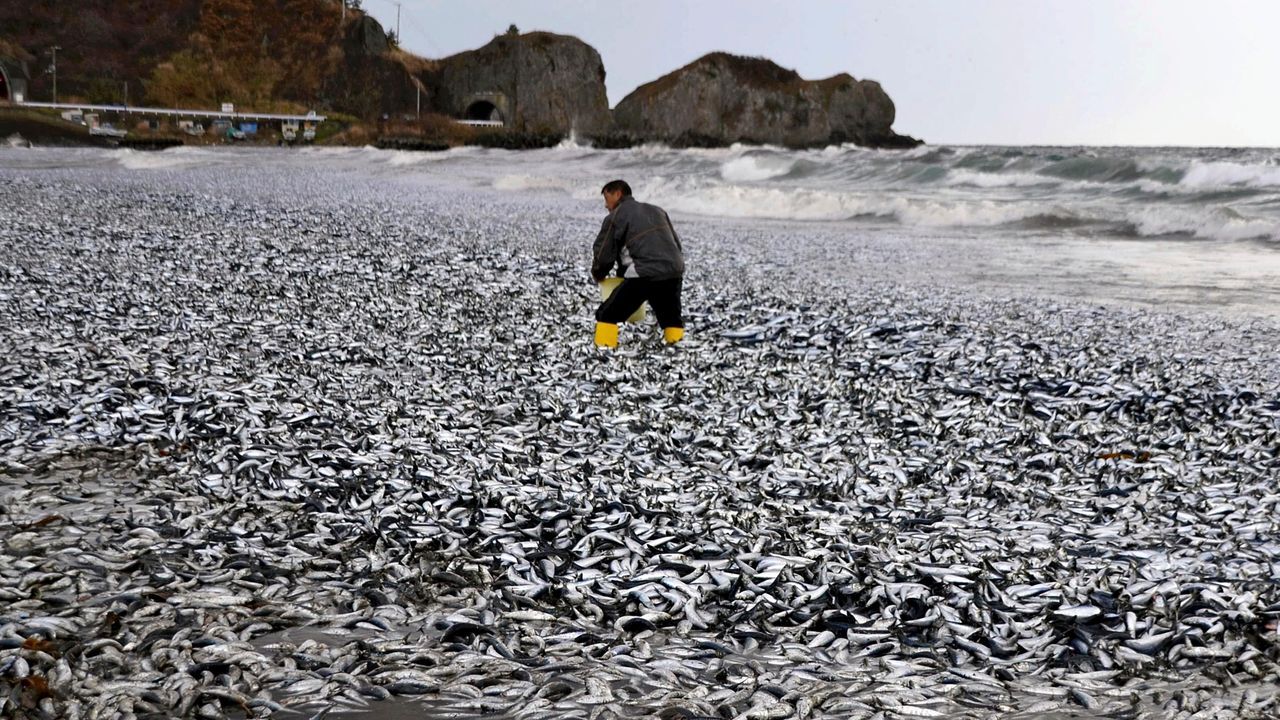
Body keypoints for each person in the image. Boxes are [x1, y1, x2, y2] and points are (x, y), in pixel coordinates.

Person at [591, 180, 685, 347]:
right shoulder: (658, 210)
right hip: (674, 270)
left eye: (607, 198)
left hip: (644, 274)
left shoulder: (615, 216)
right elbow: (676, 245)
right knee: (670, 318)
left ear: (618, 193)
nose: (606, 205)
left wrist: (598, 274)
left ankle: (603, 352)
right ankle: (676, 349)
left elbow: (604, 253)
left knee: (607, 314)